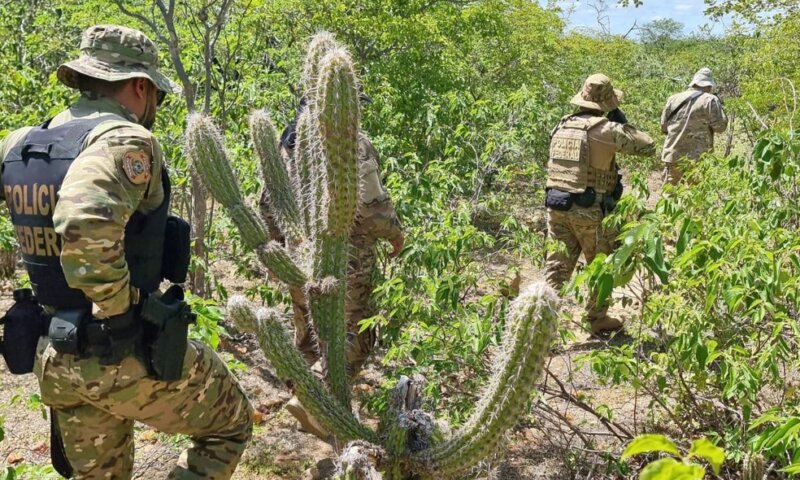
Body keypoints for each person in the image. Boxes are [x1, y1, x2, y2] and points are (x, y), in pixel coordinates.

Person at [0, 25, 252, 479]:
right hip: (120, 353)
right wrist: (120, 314)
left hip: (54, 356)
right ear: (139, 85)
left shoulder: (21, 143)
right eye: (155, 92)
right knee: (230, 425)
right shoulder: (123, 140)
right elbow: (82, 222)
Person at [265, 95, 404, 439]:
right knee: (356, 335)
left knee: (308, 335)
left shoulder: (287, 144)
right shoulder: (352, 142)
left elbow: (269, 203)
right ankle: (316, 405)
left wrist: (276, 250)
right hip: (345, 260)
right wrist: (396, 234)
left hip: (298, 257)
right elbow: (372, 207)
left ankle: (310, 403)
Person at [544, 73, 655, 335]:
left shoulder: (562, 125)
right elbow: (648, 146)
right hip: (589, 209)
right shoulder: (608, 130)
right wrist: (620, 118)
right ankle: (596, 317)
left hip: (557, 205)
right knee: (601, 265)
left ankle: (542, 321)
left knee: (557, 268)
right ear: (607, 102)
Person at [660, 67, 728, 185]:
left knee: (670, 193)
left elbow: (664, 126)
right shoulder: (710, 100)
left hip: (672, 156)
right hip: (699, 159)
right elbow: (720, 127)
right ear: (708, 85)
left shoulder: (673, 99)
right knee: (696, 194)